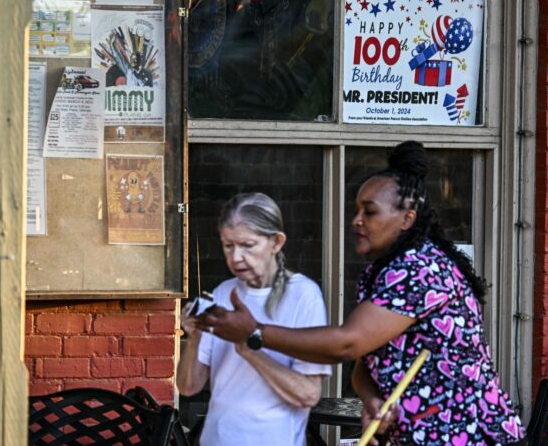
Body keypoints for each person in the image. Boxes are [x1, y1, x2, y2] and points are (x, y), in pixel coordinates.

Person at [202, 142, 526, 445]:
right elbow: (363, 363)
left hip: (466, 434)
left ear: (406, 219)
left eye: (369, 212)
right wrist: (371, 398)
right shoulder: (379, 273)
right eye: (356, 209)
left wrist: (255, 332)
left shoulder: (421, 268)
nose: (356, 220)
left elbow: (347, 342)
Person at [176, 192, 331, 446]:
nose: (236, 257)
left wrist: (248, 346)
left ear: (276, 242)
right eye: (228, 245)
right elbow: (188, 387)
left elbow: (308, 394)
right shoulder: (223, 293)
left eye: (248, 245)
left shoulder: (304, 295)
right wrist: (194, 338)